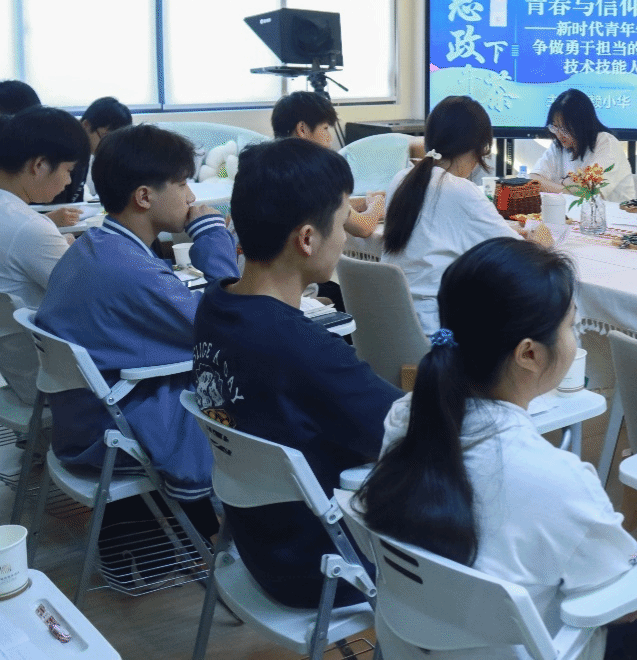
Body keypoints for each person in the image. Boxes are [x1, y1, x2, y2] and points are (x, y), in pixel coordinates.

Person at [360, 238, 637, 660]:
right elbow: (628, 608)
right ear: (529, 354)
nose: (575, 336)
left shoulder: (406, 419)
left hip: (415, 643)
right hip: (545, 648)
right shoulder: (554, 478)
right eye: (571, 325)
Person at [193, 138, 400, 609]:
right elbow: (406, 431)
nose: (345, 238)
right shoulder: (301, 348)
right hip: (330, 565)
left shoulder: (215, 306)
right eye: (342, 223)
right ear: (307, 239)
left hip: (258, 549)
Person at [36, 123, 239, 506]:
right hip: (112, 429)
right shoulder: (130, 270)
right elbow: (228, 328)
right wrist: (213, 237)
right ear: (144, 196)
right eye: (182, 184)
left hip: (80, 420)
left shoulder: (93, 246)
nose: (191, 196)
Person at [382, 96, 521, 332]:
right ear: (478, 147)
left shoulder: (401, 179)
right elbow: (518, 254)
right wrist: (541, 239)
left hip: (392, 327)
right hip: (436, 332)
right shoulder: (461, 190)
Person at [0, 107, 90, 403]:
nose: (68, 182)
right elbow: (88, 300)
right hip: (52, 379)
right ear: (39, 165)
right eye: (68, 170)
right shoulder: (30, 227)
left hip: (15, 369)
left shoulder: (16, 218)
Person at [271, 91, 385, 238]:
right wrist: (377, 205)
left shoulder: (265, 166)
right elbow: (363, 227)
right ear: (302, 129)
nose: (329, 139)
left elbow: (326, 205)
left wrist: (364, 202)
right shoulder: (311, 174)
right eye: (325, 129)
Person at [530, 89, 634, 203]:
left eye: (565, 129)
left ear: (582, 125)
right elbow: (533, 180)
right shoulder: (558, 145)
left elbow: (589, 192)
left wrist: (562, 181)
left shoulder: (606, 143)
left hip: (614, 213)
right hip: (572, 212)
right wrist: (567, 188)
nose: (559, 134)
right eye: (555, 127)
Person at [51, 95, 133, 204]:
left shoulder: (85, 153)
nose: (108, 146)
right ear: (86, 125)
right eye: (105, 138)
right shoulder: (63, 152)